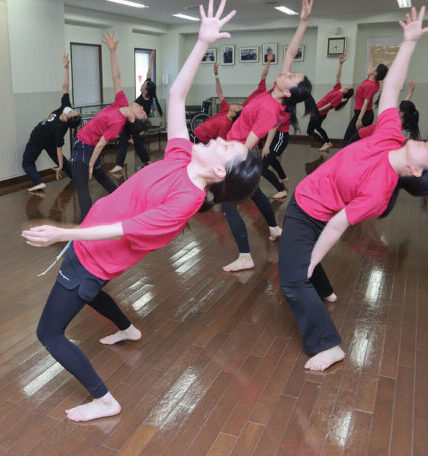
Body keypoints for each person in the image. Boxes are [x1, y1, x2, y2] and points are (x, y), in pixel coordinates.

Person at [21, 0, 259, 423]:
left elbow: (121, 228)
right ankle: (128, 328)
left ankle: (103, 398)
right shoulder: (182, 155)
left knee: (49, 333)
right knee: (91, 295)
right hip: (91, 252)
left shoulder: (185, 200)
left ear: (220, 170)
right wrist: (201, 43)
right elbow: (179, 93)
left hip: (92, 257)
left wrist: (63, 234)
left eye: (225, 145)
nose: (217, 137)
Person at [279, 6, 428, 372]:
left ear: (416, 170)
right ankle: (324, 290)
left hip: (310, 212)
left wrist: (307, 265)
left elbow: (337, 226)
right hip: (311, 202)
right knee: (304, 261)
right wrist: (409, 43)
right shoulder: (390, 135)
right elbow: (392, 87)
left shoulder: (378, 194)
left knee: (292, 279)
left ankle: (327, 345)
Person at [223, 0, 317, 273]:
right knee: (255, 194)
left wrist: (226, 164)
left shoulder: (268, 108)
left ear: (289, 91)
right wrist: (303, 22)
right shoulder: (273, 96)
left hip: (240, 155)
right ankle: (275, 229)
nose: (287, 71)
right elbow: (289, 52)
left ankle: (244, 256)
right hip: (243, 154)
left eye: (292, 75)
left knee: (228, 206)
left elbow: (248, 145)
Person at [71, 32, 148, 220]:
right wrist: (113, 51)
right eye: (143, 110)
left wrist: (90, 165)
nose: (141, 107)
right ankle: (126, 205)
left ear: (133, 120)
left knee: (82, 188)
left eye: (142, 113)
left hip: (84, 148)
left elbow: (100, 146)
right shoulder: (121, 103)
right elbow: (116, 77)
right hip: (87, 148)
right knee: (104, 179)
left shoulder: (117, 124)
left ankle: (87, 229)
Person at [22, 54, 82, 192]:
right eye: (75, 111)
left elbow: (59, 150)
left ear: (68, 118)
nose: (73, 110)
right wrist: (66, 68)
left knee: (27, 162)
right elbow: (66, 87)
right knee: (62, 161)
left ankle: (38, 182)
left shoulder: (60, 129)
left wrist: (60, 166)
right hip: (48, 140)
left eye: (73, 113)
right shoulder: (66, 107)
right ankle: (76, 178)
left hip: (37, 138)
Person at [110, 50, 163, 174]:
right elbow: (149, 73)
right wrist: (151, 59)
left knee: (134, 141)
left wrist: (133, 133)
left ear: (146, 90)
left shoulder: (146, 101)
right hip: (130, 121)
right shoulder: (144, 94)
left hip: (136, 123)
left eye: (144, 85)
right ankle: (124, 164)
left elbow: (140, 119)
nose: (142, 84)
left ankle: (143, 162)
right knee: (124, 140)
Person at [307, 54, 354, 152]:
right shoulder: (338, 89)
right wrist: (340, 64)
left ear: (347, 90)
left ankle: (325, 143)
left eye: (349, 86)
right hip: (319, 113)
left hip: (319, 113)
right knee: (318, 128)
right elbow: (338, 76)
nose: (348, 85)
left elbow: (329, 105)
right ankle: (328, 142)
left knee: (310, 131)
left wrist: (317, 110)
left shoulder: (339, 96)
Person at [352, 81, 419, 142]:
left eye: (399, 106)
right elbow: (406, 103)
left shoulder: (394, 121)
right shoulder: (398, 119)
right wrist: (411, 92)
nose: (397, 105)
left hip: (364, 137)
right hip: (363, 134)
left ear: (402, 113)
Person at [193, 62, 243, 143]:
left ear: (234, 114)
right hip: (198, 132)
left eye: (238, 107)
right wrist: (216, 75)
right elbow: (219, 93)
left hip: (201, 139)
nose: (237, 105)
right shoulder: (226, 108)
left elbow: (221, 141)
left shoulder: (226, 125)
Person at [343, 61, 389, 145]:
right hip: (361, 114)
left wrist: (359, 119)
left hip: (364, 115)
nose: (374, 68)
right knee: (350, 139)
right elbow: (372, 71)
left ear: (376, 73)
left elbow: (365, 104)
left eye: (376, 68)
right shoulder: (371, 79)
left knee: (350, 140)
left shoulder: (371, 85)